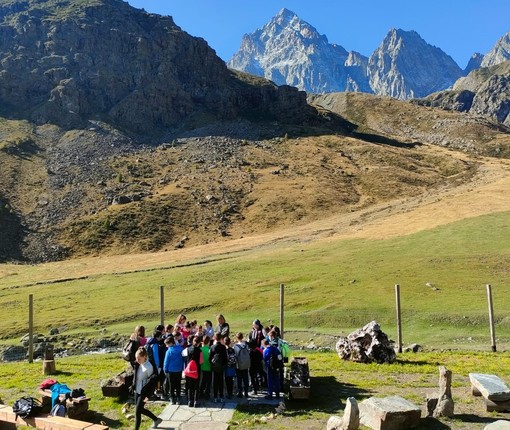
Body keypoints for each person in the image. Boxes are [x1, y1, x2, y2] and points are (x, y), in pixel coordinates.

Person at [131, 347, 162, 430]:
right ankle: (156, 419)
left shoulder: (149, 367)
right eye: (136, 358)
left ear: (145, 357)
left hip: (144, 394)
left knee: (138, 412)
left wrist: (148, 396)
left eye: (139, 358)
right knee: (140, 410)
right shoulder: (138, 364)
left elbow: (152, 383)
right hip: (137, 391)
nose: (137, 360)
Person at [163, 336, 184, 405]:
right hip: (179, 369)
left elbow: (166, 361)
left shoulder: (169, 351)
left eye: (167, 344)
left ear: (171, 343)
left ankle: (172, 398)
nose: (166, 346)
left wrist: (165, 369)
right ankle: (178, 397)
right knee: (178, 384)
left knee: (171, 385)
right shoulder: (181, 349)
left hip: (170, 370)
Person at [209, 333, 227, 402]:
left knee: (215, 382)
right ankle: (221, 396)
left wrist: (212, 364)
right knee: (221, 381)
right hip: (221, 366)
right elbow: (225, 358)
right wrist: (224, 365)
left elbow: (210, 358)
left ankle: (215, 396)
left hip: (214, 367)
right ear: (221, 339)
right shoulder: (223, 347)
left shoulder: (212, 347)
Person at [184, 336, 202, 407]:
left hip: (189, 370)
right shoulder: (200, 351)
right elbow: (201, 361)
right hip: (196, 370)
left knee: (189, 386)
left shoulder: (188, 349)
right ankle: (196, 401)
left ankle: (189, 401)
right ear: (199, 343)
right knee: (196, 386)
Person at [234, 332, 250, 398]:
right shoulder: (246, 345)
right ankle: (246, 392)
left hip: (238, 365)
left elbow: (235, 355)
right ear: (242, 337)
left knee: (239, 379)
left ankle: (240, 392)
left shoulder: (236, 346)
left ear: (237, 338)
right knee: (246, 378)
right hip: (246, 364)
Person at [199, 335, 212, 400]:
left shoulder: (200, 350)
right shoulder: (209, 350)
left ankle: (201, 393)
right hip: (209, 368)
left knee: (202, 382)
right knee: (208, 382)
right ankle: (207, 394)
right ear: (209, 342)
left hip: (202, 368)